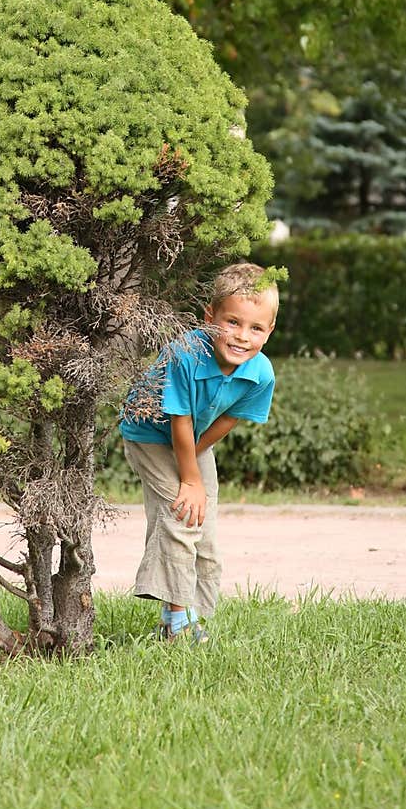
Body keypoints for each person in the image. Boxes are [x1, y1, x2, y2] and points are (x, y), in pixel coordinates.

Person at [119, 261, 279, 643]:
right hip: (148, 435)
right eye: (233, 322)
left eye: (256, 328)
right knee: (182, 514)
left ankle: (187, 611)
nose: (242, 336)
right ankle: (179, 623)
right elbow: (178, 421)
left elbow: (229, 418)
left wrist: (192, 464)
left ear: (269, 331)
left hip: (194, 438)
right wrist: (188, 478)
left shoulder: (261, 373)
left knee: (202, 520)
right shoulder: (186, 353)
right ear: (210, 317)